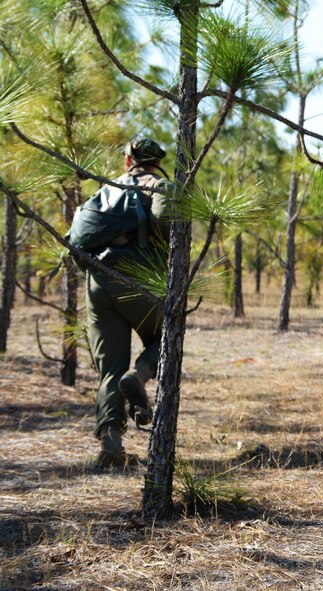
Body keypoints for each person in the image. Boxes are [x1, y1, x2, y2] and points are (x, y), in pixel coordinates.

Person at [85, 137, 171, 469]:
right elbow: (168, 228)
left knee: (109, 370)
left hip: (99, 281)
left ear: (127, 161)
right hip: (139, 280)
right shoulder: (161, 186)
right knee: (164, 339)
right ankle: (140, 375)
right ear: (156, 161)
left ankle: (110, 443)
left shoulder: (106, 189)